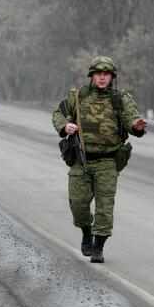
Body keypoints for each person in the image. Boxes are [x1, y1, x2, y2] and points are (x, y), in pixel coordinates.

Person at [51, 56, 147, 263]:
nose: (102, 78)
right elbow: (59, 114)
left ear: (112, 77)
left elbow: (131, 120)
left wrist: (137, 126)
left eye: (107, 74)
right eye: (98, 73)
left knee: (104, 208)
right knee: (78, 204)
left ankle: (98, 247)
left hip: (108, 162)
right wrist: (64, 126)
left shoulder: (121, 99)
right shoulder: (78, 96)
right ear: (92, 76)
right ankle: (86, 230)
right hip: (81, 160)